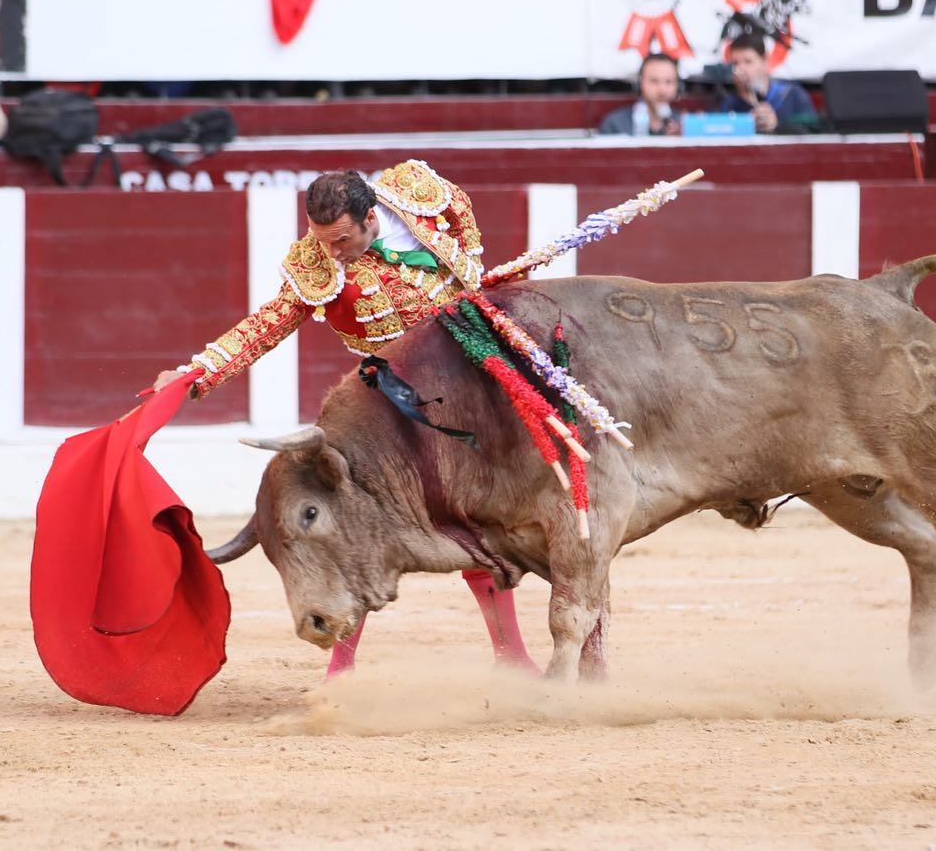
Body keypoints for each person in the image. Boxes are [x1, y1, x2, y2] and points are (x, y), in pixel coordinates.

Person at [152, 160, 539, 676]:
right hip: (389, 403)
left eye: (339, 239)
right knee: (352, 524)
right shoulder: (319, 264)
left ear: (372, 218)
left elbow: (462, 228)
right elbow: (266, 324)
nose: (328, 252)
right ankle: (342, 667)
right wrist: (198, 374)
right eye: (320, 239)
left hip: (473, 385)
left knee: (487, 517)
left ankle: (513, 654)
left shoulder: (420, 194)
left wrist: (480, 276)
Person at [717, 33, 819, 134]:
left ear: (765, 60)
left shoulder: (791, 94)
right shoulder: (729, 102)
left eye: (748, 62)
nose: (740, 69)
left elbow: (813, 131)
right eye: (735, 63)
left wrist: (777, 126)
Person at [598, 53, 682, 136]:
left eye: (669, 81)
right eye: (654, 81)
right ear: (640, 83)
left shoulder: (683, 125)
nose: (662, 90)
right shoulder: (615, 125)